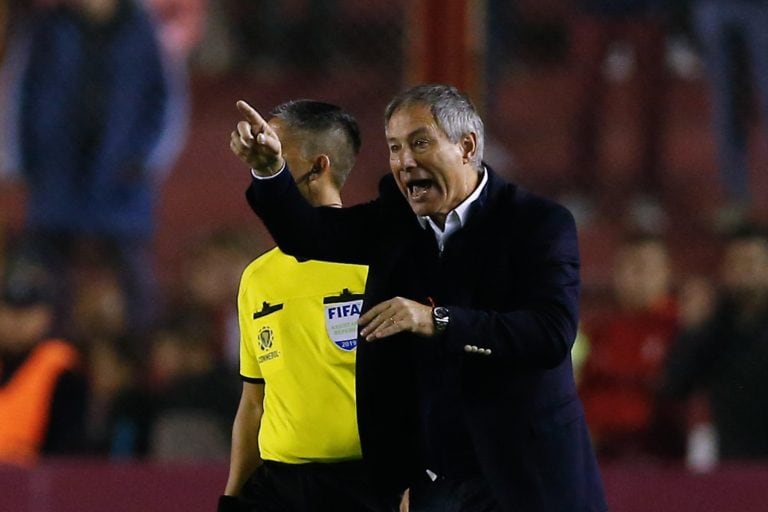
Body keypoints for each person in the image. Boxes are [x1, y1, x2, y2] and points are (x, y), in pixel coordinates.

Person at [230, 84, 606, 512]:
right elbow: (310, 236)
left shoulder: (538, 223)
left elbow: (550, 333)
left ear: (466, 147)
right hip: (437, 480)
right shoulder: (397, 218)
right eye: (394, 147)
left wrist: (437, 321)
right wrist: (270, 171)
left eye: (419, 143)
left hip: (527, 472)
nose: (404, 162)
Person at [220, 100, 393, 512]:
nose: (265, 153)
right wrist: (233, 495)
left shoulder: (377, 264)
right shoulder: (258, 277)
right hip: (279, 487)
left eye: (278, 148)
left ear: (319, 166)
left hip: (365, 487)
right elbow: (254, 402)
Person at [18, 0, 168, 336]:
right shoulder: (50, 28)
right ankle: (53, 353)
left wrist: (141, 158)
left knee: (131, 270)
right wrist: (30, 160)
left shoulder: (140, 29)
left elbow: (161, 100)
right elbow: (27, 95)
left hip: (120, 173)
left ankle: (137, 353)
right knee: (50, 270)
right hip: (58, 171)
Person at [661, 223, 768, 462]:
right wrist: (691, 329)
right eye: (737, 263)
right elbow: (676, 386)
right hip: (732, 464)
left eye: (752, 262)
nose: (745, 272)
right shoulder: (715, 328)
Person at [578, 233, 685, 461]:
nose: (638, 277)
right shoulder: (597, 330)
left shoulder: (681, 327)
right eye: (629, 268)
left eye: (646, 268)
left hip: (662, 455)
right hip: (600, 453)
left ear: (666, 272)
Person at [0, 254, 88, 466]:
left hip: (34, 485)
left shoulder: (62, 369)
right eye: (9, 311)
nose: (16, 321)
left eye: (27, 312)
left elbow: (66, 449)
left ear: (46, 315)